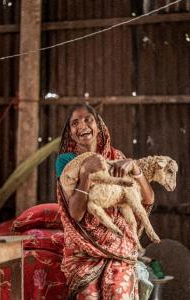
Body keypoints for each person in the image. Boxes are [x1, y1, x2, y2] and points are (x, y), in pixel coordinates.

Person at [56, 103, 154, 300]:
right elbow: (76, 213)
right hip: (84, 253)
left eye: (88, 120)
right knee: (89, 296)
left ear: (99, 126)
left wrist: (135, 169)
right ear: (71, 133)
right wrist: (85, 173)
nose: (82, 125)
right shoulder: (66, 162)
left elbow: (148, 198)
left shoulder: (116, 158)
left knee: (119, 292)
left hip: (119, 247)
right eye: (75, 123)